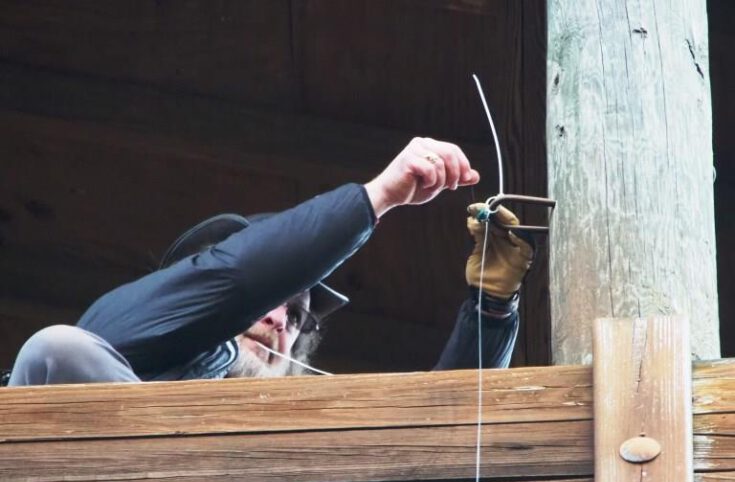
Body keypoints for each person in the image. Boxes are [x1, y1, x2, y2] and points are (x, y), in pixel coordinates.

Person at [5, 137, 534, 386]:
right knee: (59, 349)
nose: (281, 319)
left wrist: (491, 311)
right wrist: (378, 196)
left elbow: (444, 437)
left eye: (298, 316)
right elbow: (236, 278)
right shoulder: (127, 335)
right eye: (268, 301)